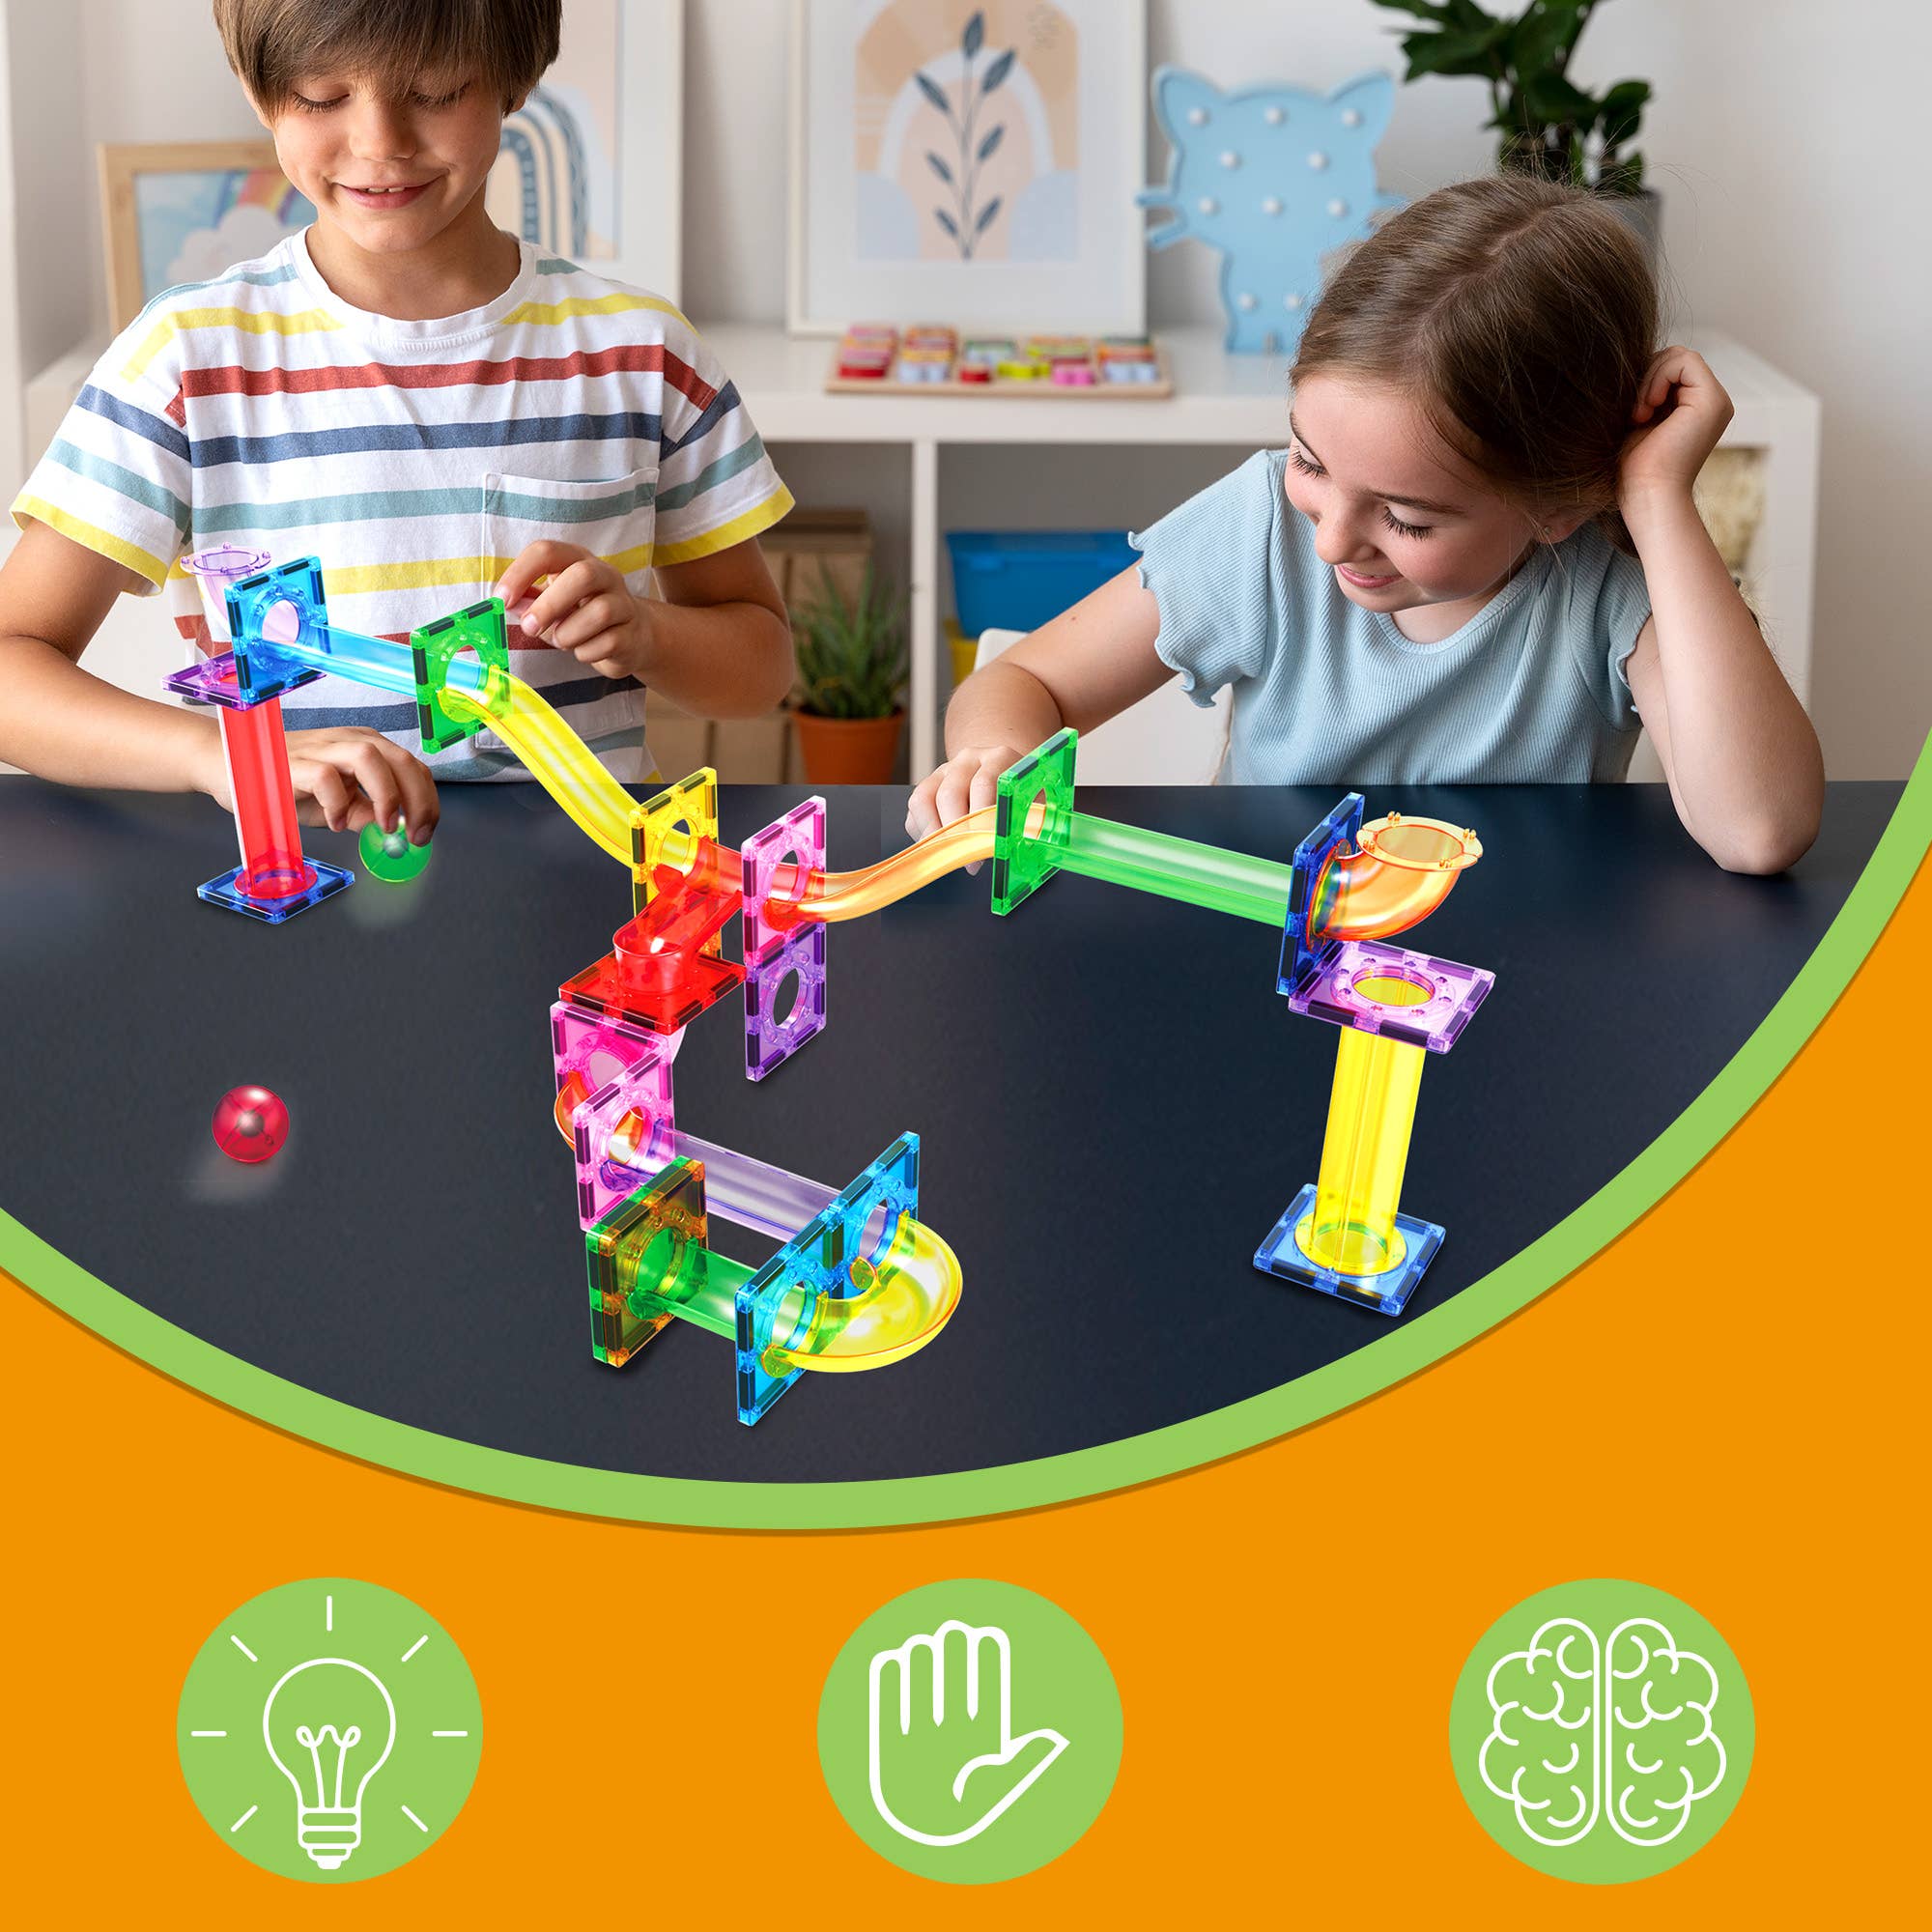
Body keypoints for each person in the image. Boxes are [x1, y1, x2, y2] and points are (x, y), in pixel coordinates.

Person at [0, 0, 795, 849]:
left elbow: (761, 669)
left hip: (570, 900)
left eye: (436, 89)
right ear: (258, 89)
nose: (380, 143)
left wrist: (649, 632)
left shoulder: (641, 354)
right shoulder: (185, 359)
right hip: (293, 888)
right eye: (320, 95)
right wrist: (218, 755)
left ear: (514, 77)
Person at [910, 175, 1822, 874]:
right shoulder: (1262, 527)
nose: (1331, 541)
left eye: (1406, 518)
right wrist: (996, 757)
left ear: (1559, 504)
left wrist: (1656, 496)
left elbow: (1759, 829)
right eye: (1310, 462)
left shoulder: (1606, 590)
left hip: (1513, 999)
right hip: (1270, 974)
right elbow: (1027, 679)